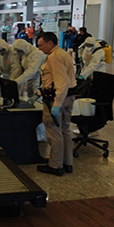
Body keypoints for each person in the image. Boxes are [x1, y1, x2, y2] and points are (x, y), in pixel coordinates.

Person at [31, 32, 76, 176]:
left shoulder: (54, 57)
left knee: (53, 132)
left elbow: (61, 83)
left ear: (50, 43)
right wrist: (39, 93)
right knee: (65, 130)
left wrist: (56, 105)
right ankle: (67, 162)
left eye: (41, 45)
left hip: (57, 99)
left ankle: (55, 166)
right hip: (69, 97)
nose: (39, 48)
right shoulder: (63, 53)